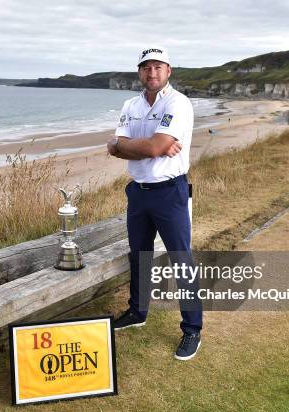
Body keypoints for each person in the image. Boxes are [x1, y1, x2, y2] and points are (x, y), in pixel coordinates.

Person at [107, 46, 202, 361]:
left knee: (181, 259)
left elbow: (146, 146)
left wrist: (137, 147)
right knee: (140, 256)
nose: (152, 73)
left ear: (168, 70)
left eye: (158, 67)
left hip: (169, 192)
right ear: (139, 71)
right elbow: (118, 147)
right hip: (137, 191)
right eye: (146, 67)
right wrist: (144, 147)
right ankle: (138, 312)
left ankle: (192, 330)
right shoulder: (130, 104)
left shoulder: (178, 103)